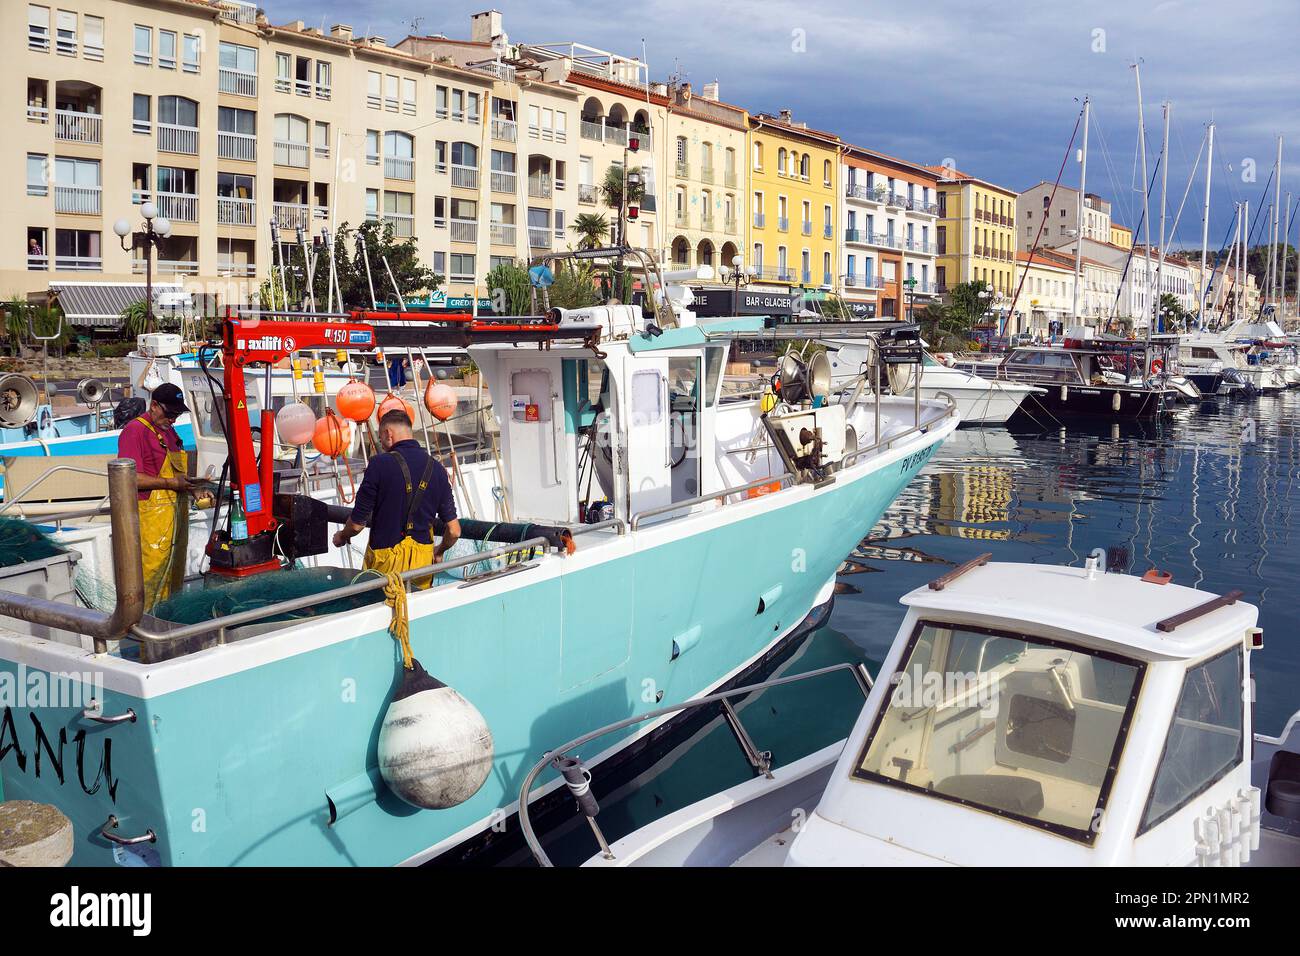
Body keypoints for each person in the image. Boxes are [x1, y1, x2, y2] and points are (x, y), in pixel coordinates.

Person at [333, 409, 459, 587]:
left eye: (381, 438)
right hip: (422, 568)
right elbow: (454, 531)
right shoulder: (437, 469)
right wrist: (439, 551)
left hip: (386, 570)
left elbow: (356, 524)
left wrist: (342, 536)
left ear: (388, 434)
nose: (382, 445)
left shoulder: (379, 465)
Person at [117, 383, 203, 608]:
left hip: (176, 517)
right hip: (150, 522)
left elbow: (177, 473)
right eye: (170, 413)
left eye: (177, 414)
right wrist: (171, 483)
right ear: (154, 405)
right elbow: (130, 478)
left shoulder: (169, 432)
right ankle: (151, 639)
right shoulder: (135, 431)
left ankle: (171, 632)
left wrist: (195, 489)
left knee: (174, 580)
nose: (173, 419)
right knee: (151, 581)